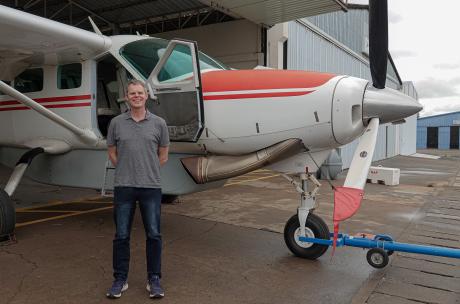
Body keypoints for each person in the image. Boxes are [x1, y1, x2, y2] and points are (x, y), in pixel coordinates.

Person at [105, 79, 169, 299]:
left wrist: (147, 169)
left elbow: (163, 155)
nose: (136, 96)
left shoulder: (159, 123)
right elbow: (112, 151)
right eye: (132, 93)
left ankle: (154, 279)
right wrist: (125, 168)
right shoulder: (116, 123)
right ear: (127, 96)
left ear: (146, 95)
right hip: (124, 186)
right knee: (121, 235)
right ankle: (120, 279)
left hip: (150, 187)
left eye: (140, 93)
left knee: (154, 234)